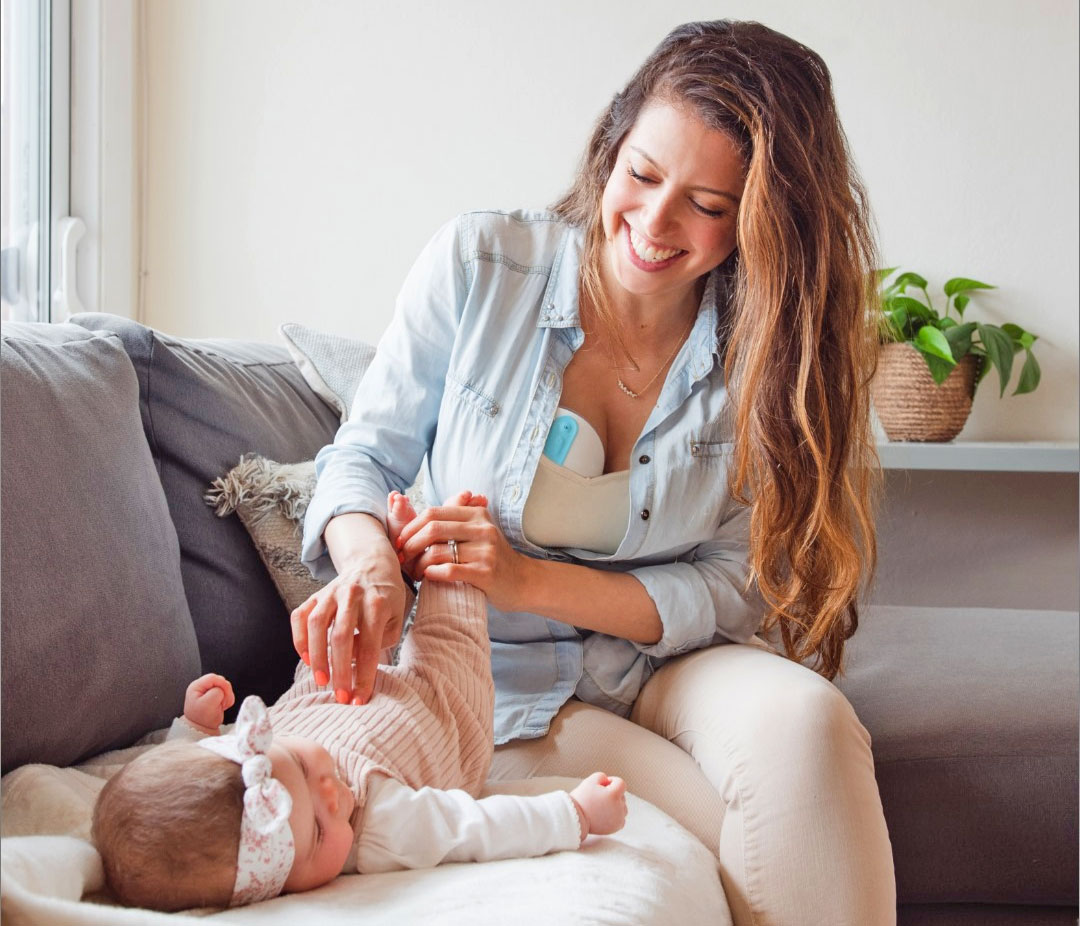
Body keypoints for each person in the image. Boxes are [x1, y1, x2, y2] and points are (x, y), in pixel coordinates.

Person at [295, 19, 895, 925]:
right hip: (490, 678)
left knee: (806, 728)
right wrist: (373, 564)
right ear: (610, 151)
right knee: (741, 843)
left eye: (709, 204)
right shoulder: (481, 264)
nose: (655, 225)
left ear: (760, 220)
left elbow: (739, 583)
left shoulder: (769, 348)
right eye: (643, 176)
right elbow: (362, 457)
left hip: (675, 661)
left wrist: (533, 578)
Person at [91, 492, 628, 912]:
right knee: (454, 637)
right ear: (276, 890)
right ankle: (441, 552)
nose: (332, 791)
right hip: (435, 717)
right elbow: (478, 830)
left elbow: (180, 770)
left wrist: (195, 728)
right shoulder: (381, 832)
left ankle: (391, 567)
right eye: (321, 832)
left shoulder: (245, 765)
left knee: (342, 633)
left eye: (299, 764)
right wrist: (575, 813)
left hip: (332, 693)